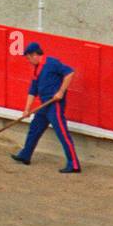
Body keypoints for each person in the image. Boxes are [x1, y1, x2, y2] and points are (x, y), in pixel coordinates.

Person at [12, 42, 81, 173]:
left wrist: (61, 91)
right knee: (34, 129)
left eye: (28, 58)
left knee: (62, 133)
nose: (28, 61)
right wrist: (27, 109)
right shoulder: (37, 69)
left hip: (54, 105)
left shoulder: (51, 63)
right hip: (44, 105)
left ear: (34, 55)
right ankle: (25, 155)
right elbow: (32, 90)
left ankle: (74, 164)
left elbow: (70, 73)